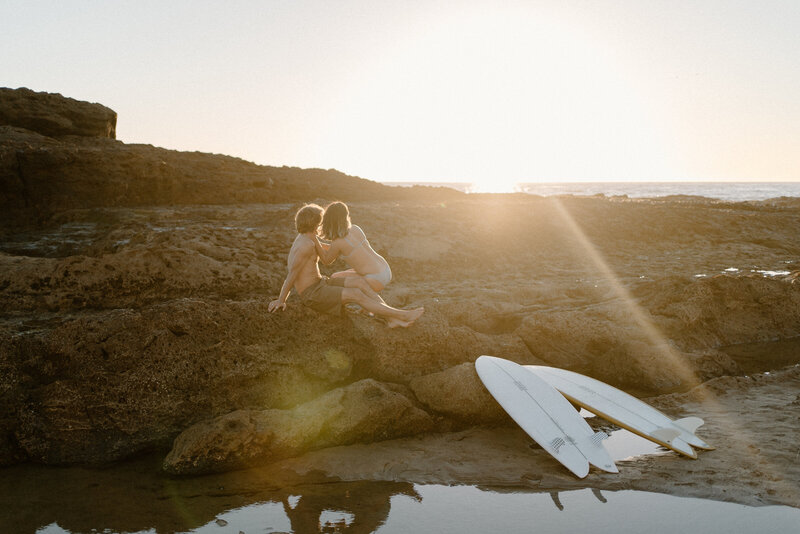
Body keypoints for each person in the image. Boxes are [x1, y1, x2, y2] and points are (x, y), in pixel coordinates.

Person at [268, 204, 423, 328]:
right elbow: (292, 274)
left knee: (360, 282)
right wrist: (281, 300)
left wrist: (326, 242)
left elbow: (324, 249)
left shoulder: (308, 238)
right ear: (316, 223)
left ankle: (391, 318)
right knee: (356, 294)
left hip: (320, 283)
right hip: (312, 294)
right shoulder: (306, 245)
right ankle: (401, 315)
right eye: (321, 222)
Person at [314, 201, 392, 292]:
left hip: (375, 278)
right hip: (385, 269)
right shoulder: (355, 228)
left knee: (334, 278)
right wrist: (320, 244)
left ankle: (355, 301)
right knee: (340, 275)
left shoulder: (338, 242)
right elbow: (335, 248)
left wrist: (315, 241)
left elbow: (326, 260)